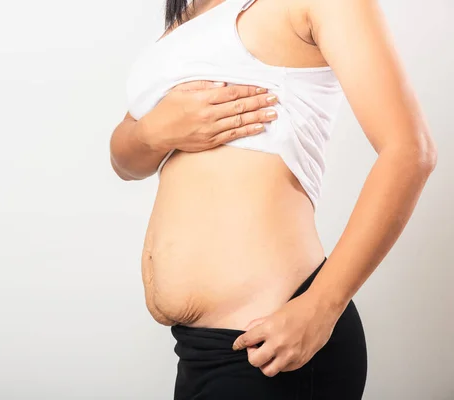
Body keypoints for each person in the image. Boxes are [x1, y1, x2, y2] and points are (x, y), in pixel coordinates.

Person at [109, 0, 438, 398]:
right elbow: (125, 162)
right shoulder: (188, 18)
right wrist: (153, 133)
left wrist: (322, 306)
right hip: (197, 352)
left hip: (273, 342)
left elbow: (409, 151)